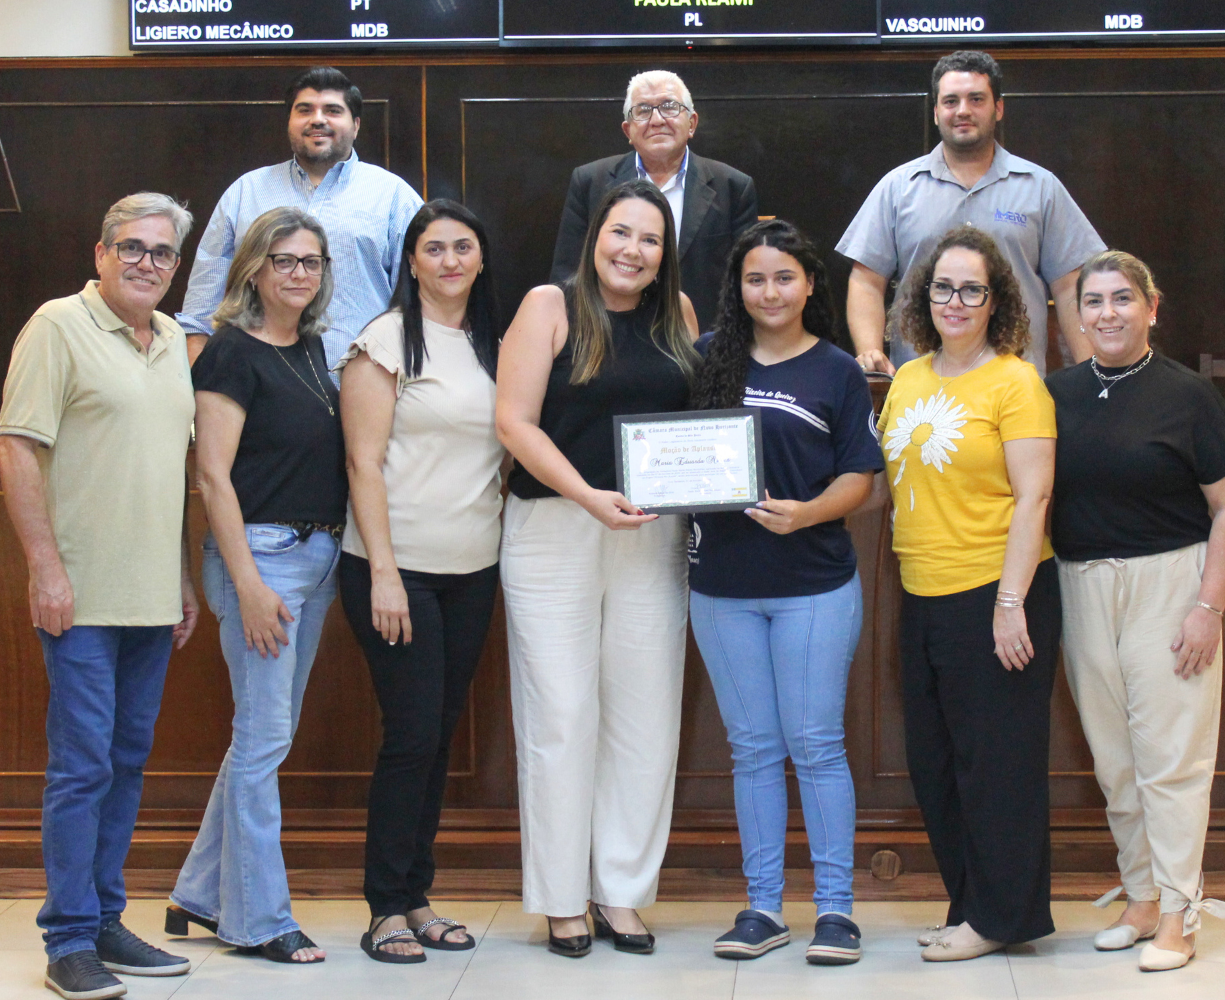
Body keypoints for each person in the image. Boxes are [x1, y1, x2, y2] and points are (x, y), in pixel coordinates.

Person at [0, 192, 200, 1000]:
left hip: (152, 596)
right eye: (133, 248)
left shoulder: (176, 338)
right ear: (100, 252)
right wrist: (45, 568)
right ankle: (69, 938)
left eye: (162, 253)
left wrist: (183, 575)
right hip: (79, 595)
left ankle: (106, 918)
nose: (147, 263)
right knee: (82, 768)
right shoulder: (57, 326)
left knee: (125, 763)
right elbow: (16, 448)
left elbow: (172, 472)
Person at [496, 179, 699, 957]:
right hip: (555, 529)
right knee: (561, 714)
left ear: (664, 255)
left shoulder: (676, 316)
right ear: (594, 236)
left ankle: (622, 893)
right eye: (621, 233)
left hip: (651, 534)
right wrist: (586, 495)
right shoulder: (549, 305)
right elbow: (512, 422)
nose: (633, 250)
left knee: (645, 718)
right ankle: (560, 897)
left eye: (650, 240)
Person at [1047, 250, 1225, 972]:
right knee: (1115, 759)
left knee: (1171, 760)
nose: (1107, 313)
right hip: (1081, 586)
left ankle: (1178, 911)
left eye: (1122, 299)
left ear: (1151, 308)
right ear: (1077, 315)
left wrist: (1208, 607)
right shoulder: (1059, 393)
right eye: (1093, 301)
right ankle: (1139, 897)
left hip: (1169, 586)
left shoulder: (1189, 396)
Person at [686, 220, 883, 966]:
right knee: (753, 749)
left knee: (816, 744)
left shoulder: (834, 369)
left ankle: (836, 911)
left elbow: (859, 479)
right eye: (755, 279)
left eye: (784, 278)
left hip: (814, 586)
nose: (770, 292)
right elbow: (671, 454)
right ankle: (762, 908)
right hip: (722, 587)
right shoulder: (707, 359)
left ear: (809, 287)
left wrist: (804, 513)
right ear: (738, 288)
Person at [165, 208, 345, 964]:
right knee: (263, 743)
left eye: (309, 261)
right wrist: (246, 584)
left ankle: (199, 895)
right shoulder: (230, 354)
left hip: (315, 561)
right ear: (252, 270)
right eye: (282, 261)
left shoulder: (310, 350)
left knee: (260, 740)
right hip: (262, 563)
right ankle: (259, 920)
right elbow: (211, 473)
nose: (297, 273)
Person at [877, 225, 1060, 961]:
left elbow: (1035, 496)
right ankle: (972, 906)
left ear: (996, 301)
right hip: (921, 595)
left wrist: (1010, 603)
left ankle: (1001, 918)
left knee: (999, 765)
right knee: (938, 761)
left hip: (996, 594)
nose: (955, 301)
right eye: (943, 287)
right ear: (923, 298)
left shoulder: (1015, 381)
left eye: (972, 289)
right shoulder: (909, 378)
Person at [335, 200, 503, 963]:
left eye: (462, 247)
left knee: (436, 738)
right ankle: (384, 907)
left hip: (473, 568)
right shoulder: (384, 340)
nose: (448, 260)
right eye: (432, 248)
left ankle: (419, 894)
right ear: (410, 262)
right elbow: (362, 462)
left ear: (479, 258)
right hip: (396, 572)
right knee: (409, 736)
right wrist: (384, 572)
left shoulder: (491, 343)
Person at [836, 50, 1104, 376]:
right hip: (921, 388)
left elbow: (1070, 288)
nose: (963, 110)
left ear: (999, 108)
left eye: (976, 99)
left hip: (1017, 389)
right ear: (936, 112)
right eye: (950, 101)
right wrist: (870, 353)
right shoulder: (897, 188)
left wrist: (1091, 373)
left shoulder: (1040, 187)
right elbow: (866, 280)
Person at [178, 66, 423, 370]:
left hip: (369, 388)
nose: (317, 119)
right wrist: (202, 383)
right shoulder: (245, 192)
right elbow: (201, 311)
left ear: (356, 125)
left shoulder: (394, 197)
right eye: (304, 110)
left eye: (333, 110)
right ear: (290, 122)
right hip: (256, 391)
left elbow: (421, 303)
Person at [550, 69, 758, 331]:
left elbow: (747, 281)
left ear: (692, 123)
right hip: (608, 342)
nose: (657, 120)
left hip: (701, 345)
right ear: (628, 130)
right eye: (643, 110)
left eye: (670, 107)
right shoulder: (590, 182)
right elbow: (567, 274)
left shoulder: (733, 187)